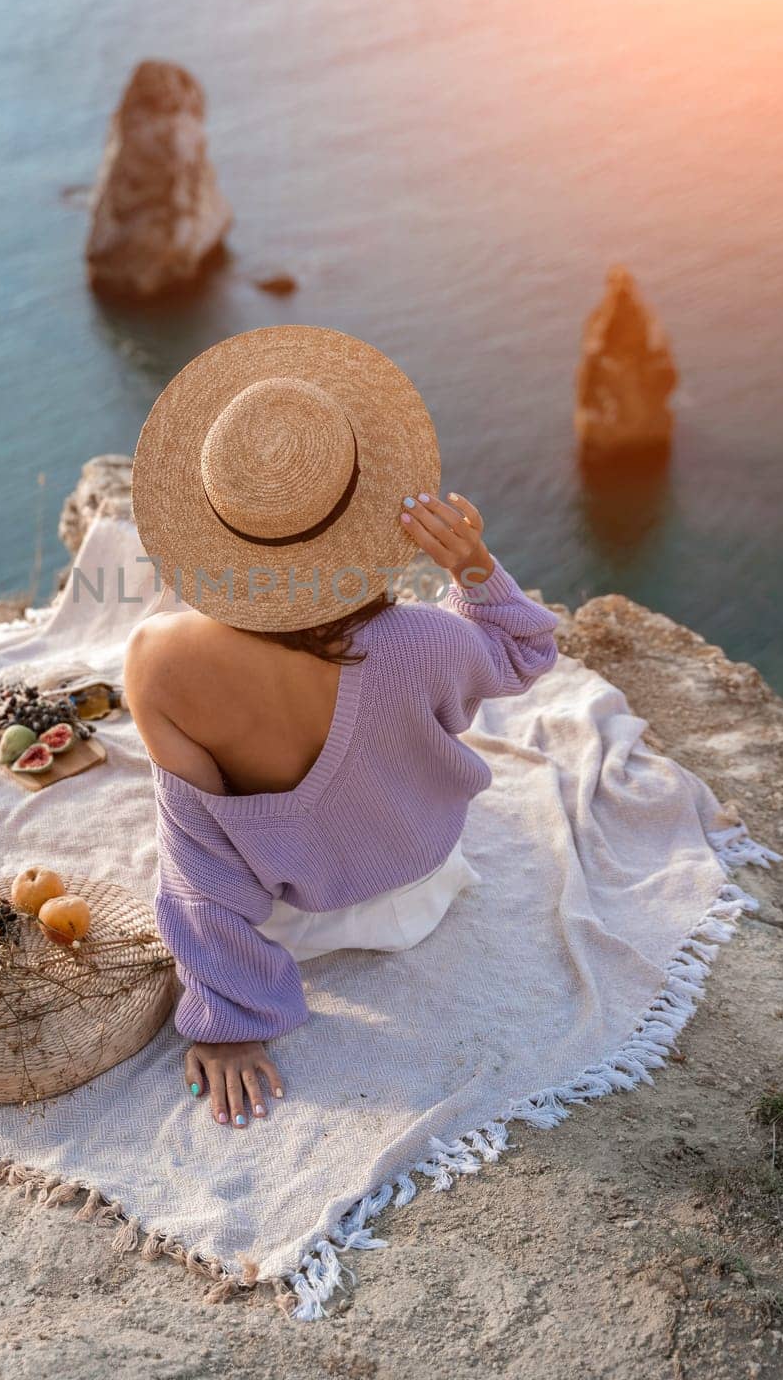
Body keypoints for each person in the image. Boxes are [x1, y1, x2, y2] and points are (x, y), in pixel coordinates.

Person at [123, 325, 559, 1132]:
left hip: (292, 923)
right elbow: (527, 650)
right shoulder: (425, 642)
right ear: (366, 516)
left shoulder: (155, 660)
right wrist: (472, 565)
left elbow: (195, 860)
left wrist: (229, 1020)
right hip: (419, 889)